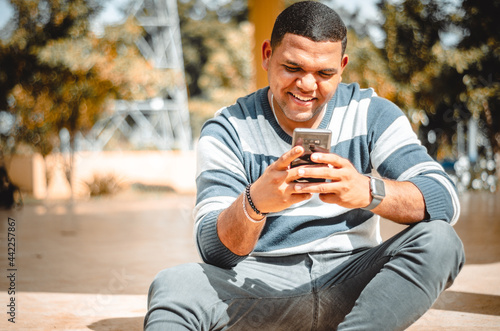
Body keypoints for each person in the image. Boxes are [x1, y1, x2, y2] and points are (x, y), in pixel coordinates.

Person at [144, 1, 465, 330]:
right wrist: (254, 204)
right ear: (267, 55)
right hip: (259, 290)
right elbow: (215, 253)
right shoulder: (228, 129)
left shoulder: (372, 113)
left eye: (324, 73)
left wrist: (368, 191)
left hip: (353, 283)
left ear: (342, 66)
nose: (307, 86)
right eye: (293, 67)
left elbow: (445, 200)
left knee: (441, 241)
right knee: (175, 285)